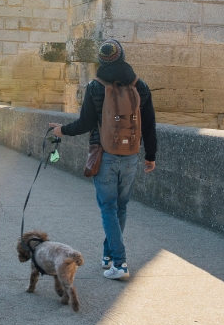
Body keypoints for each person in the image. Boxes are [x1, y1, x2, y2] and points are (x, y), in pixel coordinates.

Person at [48, 39, 156, 281]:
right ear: (123, 57)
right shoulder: (142, 86)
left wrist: (61, 131)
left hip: (104, 155)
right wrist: (150, 155)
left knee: (108, 208)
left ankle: (120, 262)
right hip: (130, 156)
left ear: (102, 60)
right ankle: (108, 256)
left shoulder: (95, 86)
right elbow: (149, 125)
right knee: (121, 207)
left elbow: (85, 123)